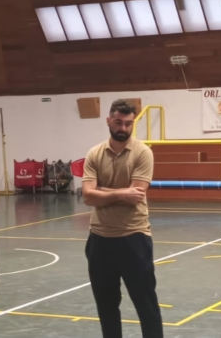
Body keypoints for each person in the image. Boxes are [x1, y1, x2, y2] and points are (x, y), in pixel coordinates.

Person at [81, 99, 163, 338]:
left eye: (128, 123)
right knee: (106, 305)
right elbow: (87, 196)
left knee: (146, 305)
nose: (123, 128)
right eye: (118, 122)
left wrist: (102, 191)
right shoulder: (94, 153)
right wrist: (120, 193)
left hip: (134, 238)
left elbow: (135, 196)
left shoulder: (143, 153)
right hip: (99, 239)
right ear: (108, 120)